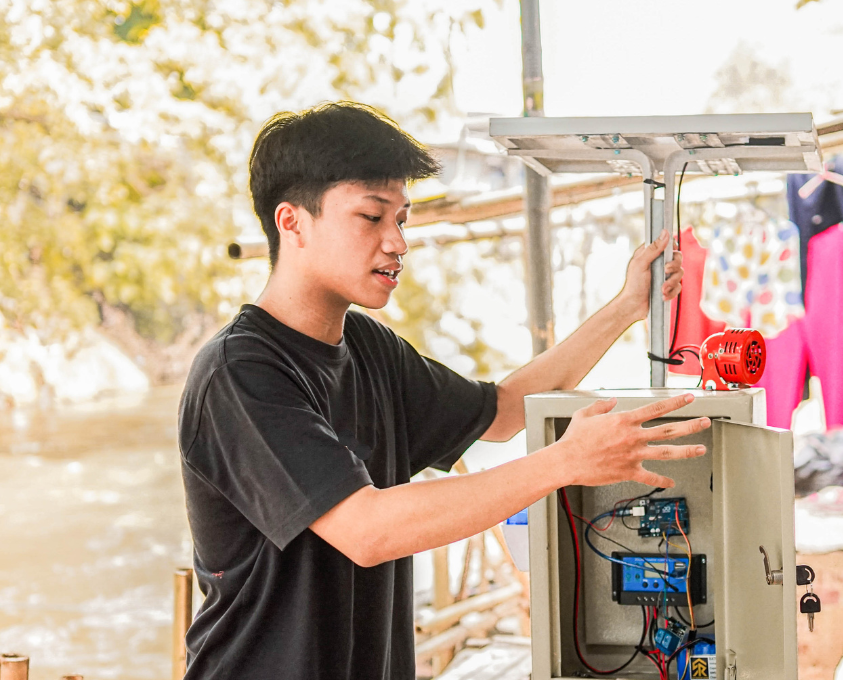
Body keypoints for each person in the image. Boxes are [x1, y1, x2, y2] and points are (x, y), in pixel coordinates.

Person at [176, 101, 710, 680]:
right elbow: (368, 529)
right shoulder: (239, 373)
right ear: (292, 222)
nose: (397, 242)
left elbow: (503, 411)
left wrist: (625, 308)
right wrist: (565, 462)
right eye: (371, 217)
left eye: (401, 219)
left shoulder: (369, 346)